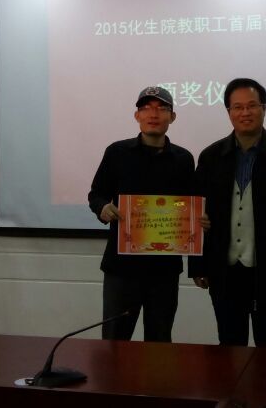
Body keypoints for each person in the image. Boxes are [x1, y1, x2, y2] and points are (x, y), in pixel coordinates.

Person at [188, 78, 266, 349]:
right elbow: (196, 215)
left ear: (264, 108)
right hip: (224, 270)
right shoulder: (210, 157)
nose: (245, 113)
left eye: (252, 105)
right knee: (229, 346)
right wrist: (198, 265)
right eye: (238, 107)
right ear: (228, 112)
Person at [88, 86, 195, 342]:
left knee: (159, 342)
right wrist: (103, 208)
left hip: (164, 269)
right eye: (146, 108)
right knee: (114, 341)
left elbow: (191, 206)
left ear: (172, 117)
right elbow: (96, 194)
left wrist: (197, 220)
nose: (153, 114)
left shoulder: (183, 159)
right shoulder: (117, 153)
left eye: (161, 108)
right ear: (137, 116)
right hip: (121, 268)